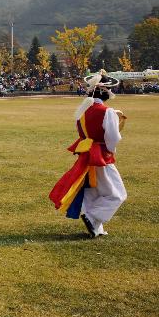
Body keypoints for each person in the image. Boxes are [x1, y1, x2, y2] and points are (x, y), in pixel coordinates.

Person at [49, 71, 127, 237]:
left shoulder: (83, 111)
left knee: (94, 192)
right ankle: (92, 217)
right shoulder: (107, 112)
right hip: (101, 156)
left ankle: (96, 227)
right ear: (104, 91)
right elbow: (112, 138)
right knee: (117, 194)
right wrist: (111, 150)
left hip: (87, 155)